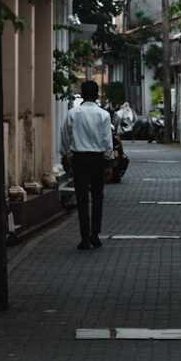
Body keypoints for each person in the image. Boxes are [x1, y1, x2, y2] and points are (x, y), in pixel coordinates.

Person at [61, 80, 115, 249]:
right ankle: (95, 235)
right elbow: (107, 140)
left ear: (82, 95)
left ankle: (84, 238)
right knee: (97, 198)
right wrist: (109, 162)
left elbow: (65, 138)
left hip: (80, 160)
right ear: (97, 95)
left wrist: (66, 157)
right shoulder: (103, 115)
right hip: (98, 159)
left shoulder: (73, 113)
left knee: (82, 199)